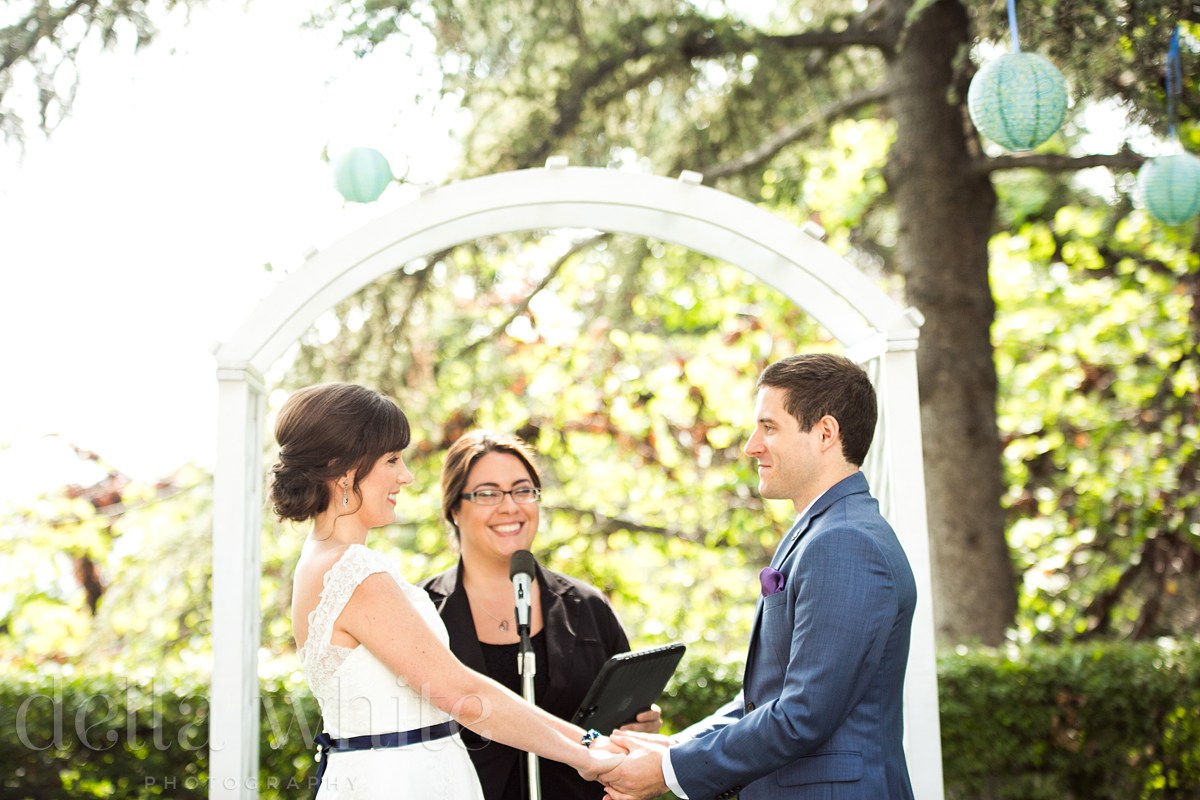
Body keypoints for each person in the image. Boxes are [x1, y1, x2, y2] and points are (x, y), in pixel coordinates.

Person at [273, 383, 622, 798]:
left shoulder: (326, 560)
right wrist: (589, 758)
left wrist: (590, 740)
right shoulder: (352, 572)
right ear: (344, 468)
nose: (405, 476)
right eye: (392, 460)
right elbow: (464, 693)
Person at [600, 353, 917, 800]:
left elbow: (802, 714)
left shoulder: (846, 543)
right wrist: (677, 746)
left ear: (826, 433)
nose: (751, 445)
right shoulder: (822, 529)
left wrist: (669, 771)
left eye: (769, 427)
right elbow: (769, 700)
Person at [421, 430, 662, 800]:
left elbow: (619, 726)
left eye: (522, 490)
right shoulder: (421, 612)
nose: (510, 507)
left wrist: (636, 733)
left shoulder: (588, 607)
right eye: (487, 493)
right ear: (455, 508)